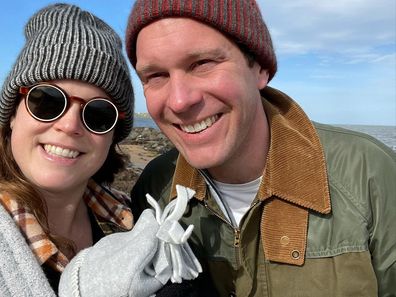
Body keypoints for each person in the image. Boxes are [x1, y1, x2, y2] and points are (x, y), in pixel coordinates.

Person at [126, 1, 396, 296]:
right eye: (155, 76)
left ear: (260, 69)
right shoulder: (155, 186)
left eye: (202, 64)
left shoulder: (368, 173)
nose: (179, 101)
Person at [0, 3, 135, 295]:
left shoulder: (136, 220)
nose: (69, 125)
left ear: (112, 136)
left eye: (98, 114)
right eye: (47, 101)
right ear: (12, 114)